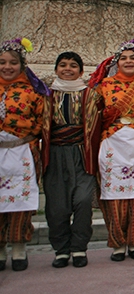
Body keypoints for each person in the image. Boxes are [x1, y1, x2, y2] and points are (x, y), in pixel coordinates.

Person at [87, 37, 134, 262]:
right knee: (114, 196)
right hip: (114, 143)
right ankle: (117, 244)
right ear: (116, 62)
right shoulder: (104, 86)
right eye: (124, 58)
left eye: (133, 58)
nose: (128, 61)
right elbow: (94, 116)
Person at [42, 51, 100, 268]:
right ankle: (61, 250)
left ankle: (79, 248)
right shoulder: (46, 95)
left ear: (81, 71)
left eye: (73, 65)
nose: (68, 69)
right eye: (63, 65)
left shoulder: (91, 95)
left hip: (82, 154)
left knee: (83, 201)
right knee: (57, 205)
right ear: (56, 69)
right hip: (55, 154)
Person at [0, 38, 48, 271]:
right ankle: (0, 248)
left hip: (22, 151)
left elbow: (41, 121)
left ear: (22, 65)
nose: (7, 67)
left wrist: (25, 138)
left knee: (20, 202)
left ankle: (18, 245)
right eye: (2, 62)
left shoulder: (31, 92)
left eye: (13, 63)